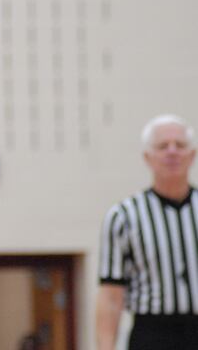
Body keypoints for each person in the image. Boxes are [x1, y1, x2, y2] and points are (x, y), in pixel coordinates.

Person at [96, 114, 198, 350]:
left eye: (180, 145)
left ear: (192, 155)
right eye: (163, 146)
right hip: (152, 333)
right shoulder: (123, 216)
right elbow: (111, 297)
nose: (172, 152)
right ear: (147, 157)